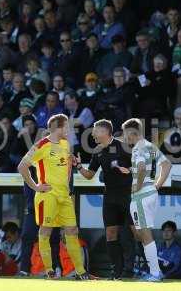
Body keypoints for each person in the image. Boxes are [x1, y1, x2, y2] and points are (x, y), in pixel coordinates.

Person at [17, 114, 93, 280]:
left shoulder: (66, 144)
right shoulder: (41, 145)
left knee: (72, 230)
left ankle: (81, 272)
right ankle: (50, 270)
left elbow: (65, 167)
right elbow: (22, 166)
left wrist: (73, 163)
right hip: (48, 195)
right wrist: (36, 186)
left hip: (64, 196)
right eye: (67, 126)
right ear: (58, 128)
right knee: (46, 231)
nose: (69, 130)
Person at [75, 119, 134, 280]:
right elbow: (90, 175)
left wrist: (129, 170)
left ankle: (132, 270)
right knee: (110, 234)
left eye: (95, 130)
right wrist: (79, 166)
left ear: (105, 132)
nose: (93, 133)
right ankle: (117, 273)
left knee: (134, 233)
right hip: (110, 197)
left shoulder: (124, 147)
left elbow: (141, 166)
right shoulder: (97, 151)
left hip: (128, 195)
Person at [121, 118, 172, 281]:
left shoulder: (137, 148)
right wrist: (157, 184)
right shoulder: (150, 146)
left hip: (141, 195)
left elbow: (142, 168)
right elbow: (167, 165)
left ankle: (155, 273)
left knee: (144, 234)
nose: (124, 137)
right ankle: (155, 271)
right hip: (150, 192)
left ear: (132, 132)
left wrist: (138, 186)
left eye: (125, 133)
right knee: (142, 234)